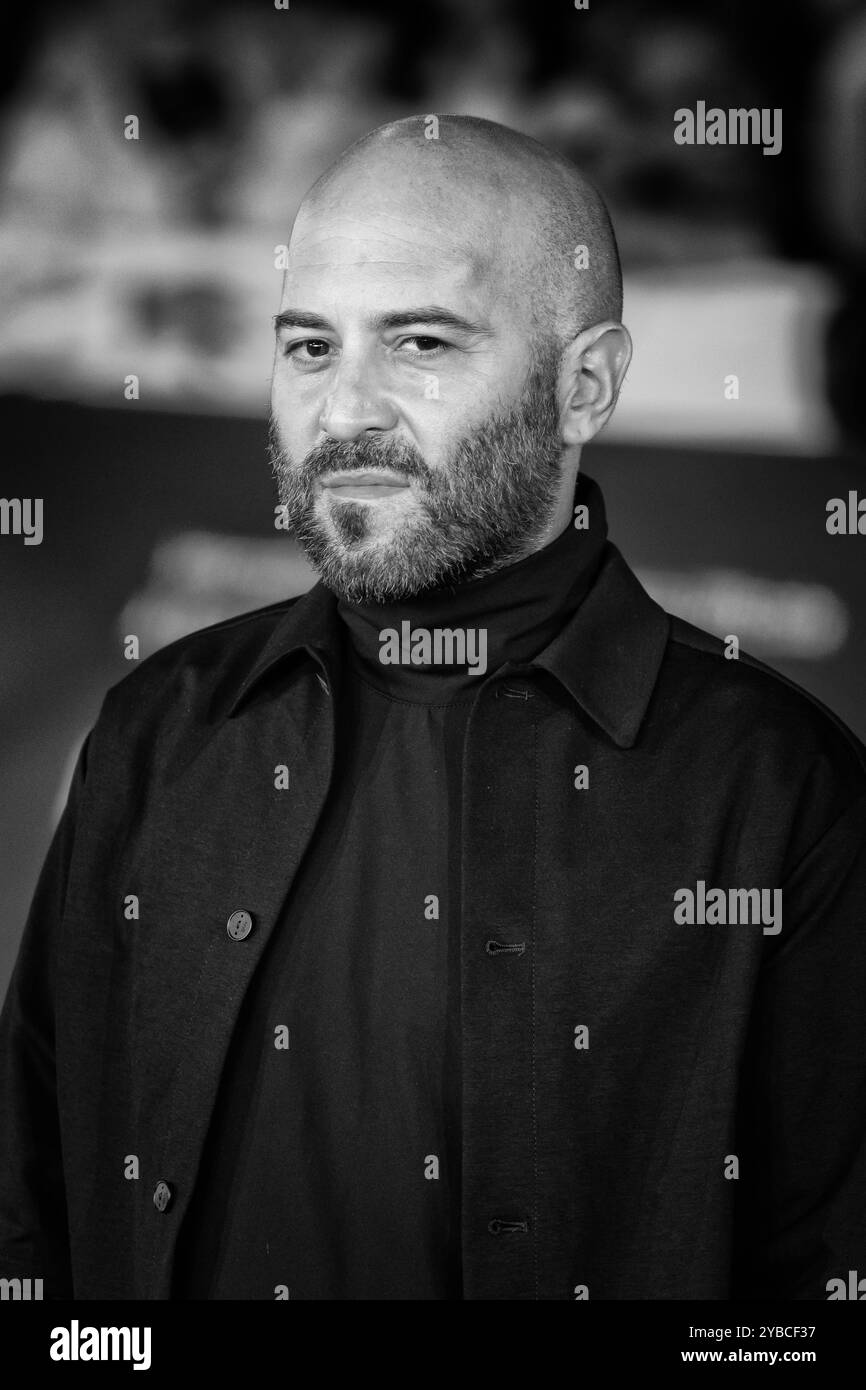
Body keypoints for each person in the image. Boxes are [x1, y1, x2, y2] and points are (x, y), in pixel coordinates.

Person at [1, 114, 864, 1302]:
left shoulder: (780, 793)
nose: (343, 408)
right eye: (307, 347)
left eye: (417, 341)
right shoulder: (158, 730)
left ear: (585, 384)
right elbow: (31, 1198)